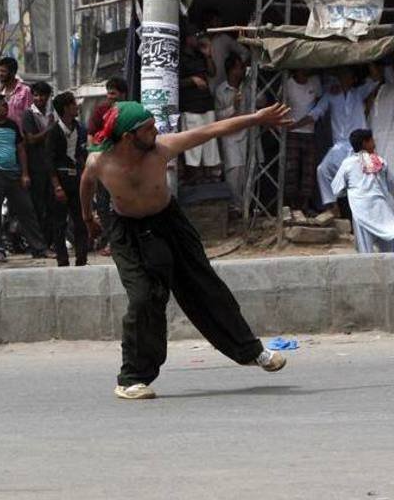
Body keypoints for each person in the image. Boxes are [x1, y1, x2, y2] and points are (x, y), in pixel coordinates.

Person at [80, 101, 291, 400]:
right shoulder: (99, 162)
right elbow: (86, 185)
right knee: (143, 298)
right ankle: (132, 379)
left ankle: (252, 351)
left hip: (170, 223)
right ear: (128, 136)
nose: (156, 131)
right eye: (148, 128)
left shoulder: (162, 148)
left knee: (205, 286)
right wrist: (88, 218)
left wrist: (256, 118)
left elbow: (211, 129)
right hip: (128, 233)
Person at [292, 67, 382, 215]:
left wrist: (368, 58)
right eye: (342, 75)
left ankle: (365, 212)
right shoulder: (330, 95)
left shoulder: (359, 93)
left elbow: (377, 78)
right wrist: (294, 125)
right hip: (340, 145)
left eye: (348, 76)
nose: (344, 78)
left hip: (359, 146)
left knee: (363, 178)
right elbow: (315, 114)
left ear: (353, 79)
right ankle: (333, 207)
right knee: (322, 170)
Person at [0, 94, 48, 258]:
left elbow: (20, 149)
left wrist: (25, 173)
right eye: (3, 105)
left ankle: (39, 248)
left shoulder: (12, 125)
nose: (6, 108)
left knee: (27, 210)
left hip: (14, 173)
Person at [330, 129, 394, 253]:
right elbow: (391, 185)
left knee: (365, 249)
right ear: (365, 143)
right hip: (380, 208)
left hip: (360, 209)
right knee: (390, 239)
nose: (374, 142)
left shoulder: (348, 163)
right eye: (371, 140)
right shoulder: (380, 162)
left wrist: (348, 192)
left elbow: (336, 189)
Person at [46, 91, 89, 267]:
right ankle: (62, 259)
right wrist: (57, 186)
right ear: (65, 108)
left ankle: (82, 258)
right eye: (73, 104)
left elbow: (83, 154)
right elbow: (49, 161)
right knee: (59, 222)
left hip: (77, 178)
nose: (77, 106)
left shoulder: (80, 129)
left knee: (80, 220)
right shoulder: (54, 132)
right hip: (61, 179)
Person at [88, 77, 128, 255]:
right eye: (108, 93)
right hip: (105, 164)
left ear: (123, 94)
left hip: (125, 165)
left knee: (121, 203)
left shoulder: (129, 111)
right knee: (103, 205)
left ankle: (121, 241)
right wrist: (94, 156)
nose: (110, 97)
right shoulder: (101, 110)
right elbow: (91, 135)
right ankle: (112, 240)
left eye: (114, 94)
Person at [179, 26, 221, 183]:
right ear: (187, 39)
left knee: (210, 140)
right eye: (195, 36)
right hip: (191, 106)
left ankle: (210, 174)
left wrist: (208, 55)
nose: (197, 39)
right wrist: (192, 80)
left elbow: (212, 72)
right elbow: (173, 82)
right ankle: (194, 175)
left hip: (206, 103)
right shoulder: (179, 58)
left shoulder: (200, 55)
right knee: (193, 143)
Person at [213, 54, 250, 213]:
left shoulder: (247, 87)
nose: (241, 71)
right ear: (231, 70)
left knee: (248, 171)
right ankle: (236, 206)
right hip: (230, 136)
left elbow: (261, 101)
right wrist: (233, 106)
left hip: (248, 134)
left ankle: (247, 206)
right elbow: (218, 117)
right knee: (233, 171)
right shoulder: (221, 91)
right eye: (239, 67)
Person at [21, 81, 56, 251]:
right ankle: (39, 246)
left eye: (42, 95)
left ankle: (48, 243)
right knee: (38, 207)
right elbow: (31, 139)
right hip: (36, 167)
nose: (39, 98)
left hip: (50, 166)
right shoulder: (29, 115)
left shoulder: (51, 114)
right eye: (36, 95)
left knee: (51, 206)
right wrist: (49, 130)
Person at [283, 69, 323, 213]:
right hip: (292, 133)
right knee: (291, 169)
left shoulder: (315, 82)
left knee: (308, 170)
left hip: (310, 133)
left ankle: (305, 205)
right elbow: (281, 105)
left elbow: (319, 103)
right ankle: (292, 206)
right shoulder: (288, 84)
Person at [203, 8, 250, 94]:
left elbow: (245, 52)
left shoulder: (225, 39)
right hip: (205, 87)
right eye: (215, 21)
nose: (218, 24)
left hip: (223, 86)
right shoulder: (201, 41)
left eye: (219, 21)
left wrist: (236, 67)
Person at [368, 63, 394, 173]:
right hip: (375, 139)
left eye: (375, 69)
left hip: (389, 139)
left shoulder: (390, 90)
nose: (373, 73)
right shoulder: (370, 92)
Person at [0, 56, 33, 126]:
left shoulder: (25, 91)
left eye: (3, 71)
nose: (0, 74)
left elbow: (29, 115)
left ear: (13, 72)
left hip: (19, 134)